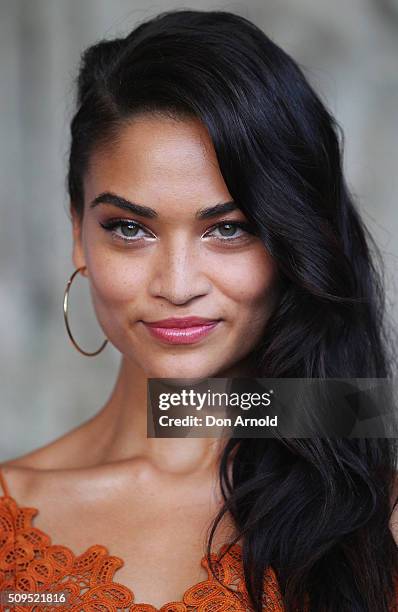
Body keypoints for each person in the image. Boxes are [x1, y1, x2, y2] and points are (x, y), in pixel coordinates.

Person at [0, 9, 397, 611]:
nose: (178, 285)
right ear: (79, 233)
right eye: (130, 228)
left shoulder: (376, 508)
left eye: (229, 228)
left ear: (291, 240)